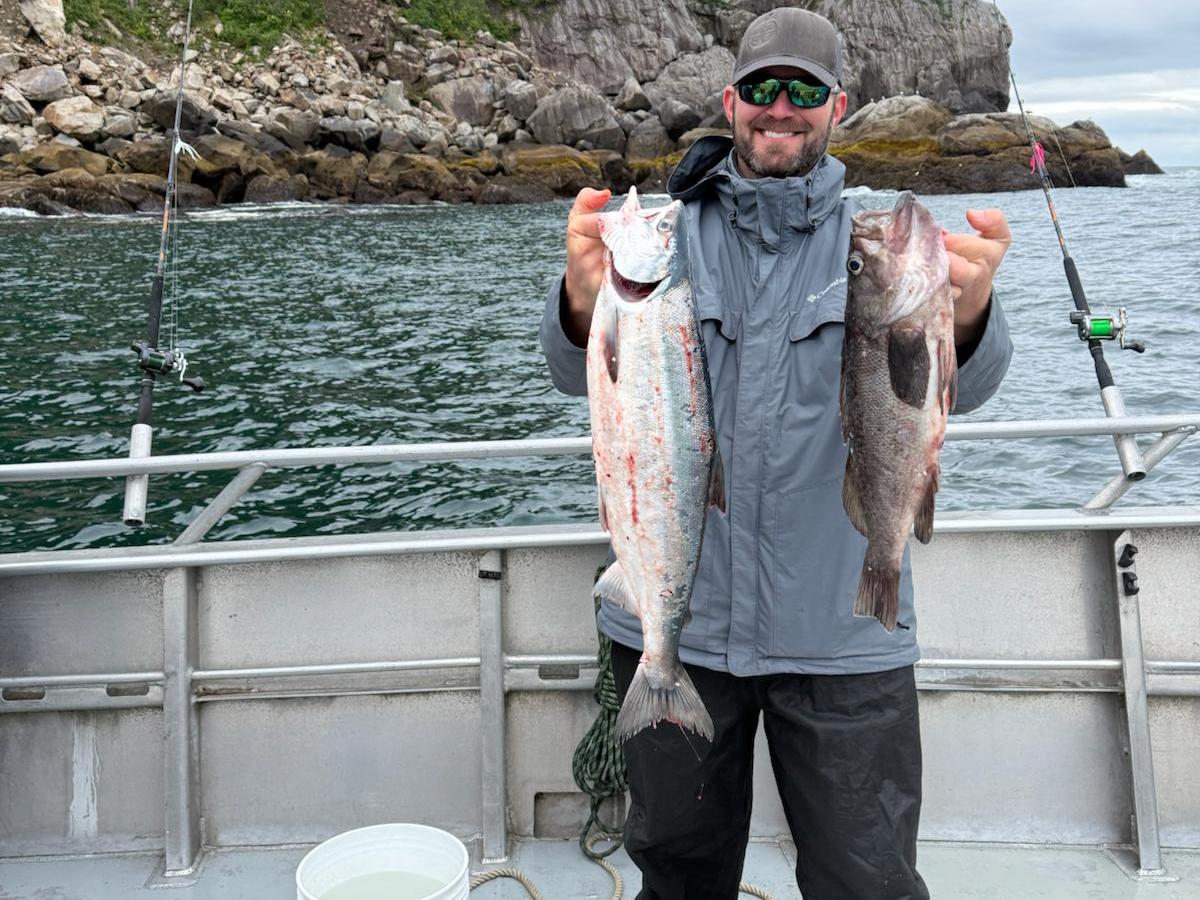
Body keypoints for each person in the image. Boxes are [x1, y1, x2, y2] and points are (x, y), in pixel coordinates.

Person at [540, 7, 1014, 899]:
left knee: (866, 880)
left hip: (844, 637)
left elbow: (961, 393)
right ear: (732, 102)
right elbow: (575, 372)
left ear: (839, 107)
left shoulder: (875, 250)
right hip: (683, 627)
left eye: (805, 91)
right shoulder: (668, 238)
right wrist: (577, 295)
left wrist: (971, 315)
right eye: (763, 89)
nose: (781, 108)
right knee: (678, 877)